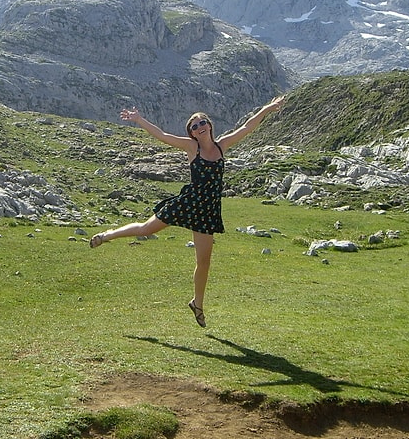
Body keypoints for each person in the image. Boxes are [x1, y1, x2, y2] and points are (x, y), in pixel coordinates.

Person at [90, 96, 285, 327]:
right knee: (146, 228)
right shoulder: (191, 147)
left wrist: (268, 108)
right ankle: (107, 235)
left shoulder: (222, 145)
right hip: (187, 203)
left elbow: (247, 127)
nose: (199, 127)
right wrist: (139, 119)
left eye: (202, 122)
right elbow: (163, 136)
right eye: (195, 126)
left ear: (209, 125)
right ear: (192, 133)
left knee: (204, 262)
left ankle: (197, 304)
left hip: (207, 211)